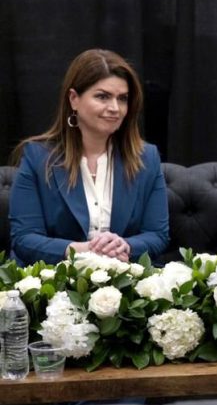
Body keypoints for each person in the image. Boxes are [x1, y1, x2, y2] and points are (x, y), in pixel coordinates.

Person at [9, 49, 169, 265]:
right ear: (74, 99)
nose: (115, 108)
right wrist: (85, 250)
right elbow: (24, 239)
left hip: (125, 281)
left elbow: (157, 234)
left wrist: (124, 246)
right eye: (102, 96)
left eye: (122, 99)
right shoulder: (38, 157)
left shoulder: (146, 158)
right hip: (53, 282)